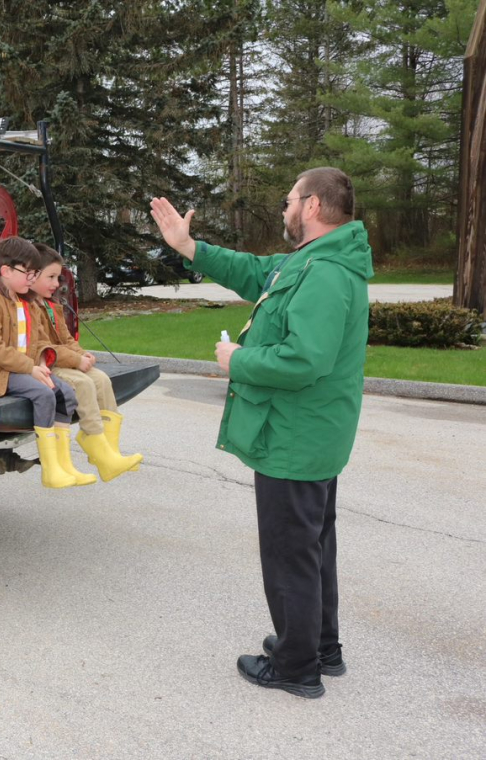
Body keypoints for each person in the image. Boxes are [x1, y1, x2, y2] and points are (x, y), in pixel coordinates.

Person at [149, 167, 373, 699]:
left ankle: (296, 666)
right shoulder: (313, 261)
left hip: (295, 438)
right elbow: (253, 272)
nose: (284, 208)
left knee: (289, 550)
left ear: (313, 206)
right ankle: (321, 645)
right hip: (310, 434)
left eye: (289, 199)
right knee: (312, 544)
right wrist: (189, 246)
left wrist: (239, 359)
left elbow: (304, 360)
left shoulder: (325, 273)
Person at [0, 236, 94, 489]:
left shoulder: (25, 302)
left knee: (65, 392)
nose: (32, 279)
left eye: (34, 273)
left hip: (19, 368)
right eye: (28, 273)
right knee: (44, 394)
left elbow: (36, 340)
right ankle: (51, 469)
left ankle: (63, 464)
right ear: (6, 271)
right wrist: (30, 368)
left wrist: (41, 361)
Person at [28, 243, 143, 482]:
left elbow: (66, 338)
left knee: (101, 379)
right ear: (32, 274)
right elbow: (41, 345)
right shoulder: (29, 307)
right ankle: (94, 440)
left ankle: (109, 452)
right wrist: (76, 360)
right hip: (46, 364)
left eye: (57, 277)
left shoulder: (52, 305)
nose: (56, 283)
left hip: (61, 360)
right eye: (50, 277)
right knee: (82, 383)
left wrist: (83, 354)